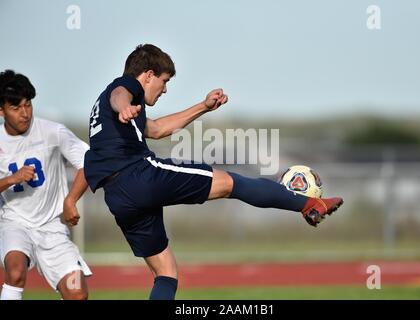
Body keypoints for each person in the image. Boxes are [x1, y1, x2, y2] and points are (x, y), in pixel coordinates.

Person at [84, 44, 344, 300]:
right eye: (164, 81)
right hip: (140, 175)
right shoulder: (125, 87)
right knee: (232, 183)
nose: (165, 89)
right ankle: (310, 204)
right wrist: (124, 107)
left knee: (166, 273)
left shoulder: (103, 110)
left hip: (118, 196)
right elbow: (120, 94)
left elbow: (156, 129)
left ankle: (308, 205)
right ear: (148, 74)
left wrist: (203, 107)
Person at [0, 70, 92, 300]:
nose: (25, 113)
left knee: (77, 293)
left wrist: (70, 200)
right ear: (1, 111)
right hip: (15, 224)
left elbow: (89, 163)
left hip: (53, 228)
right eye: (16, 107)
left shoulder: (53, 132)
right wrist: (12, 179)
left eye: (28, 105)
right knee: (15, 271)